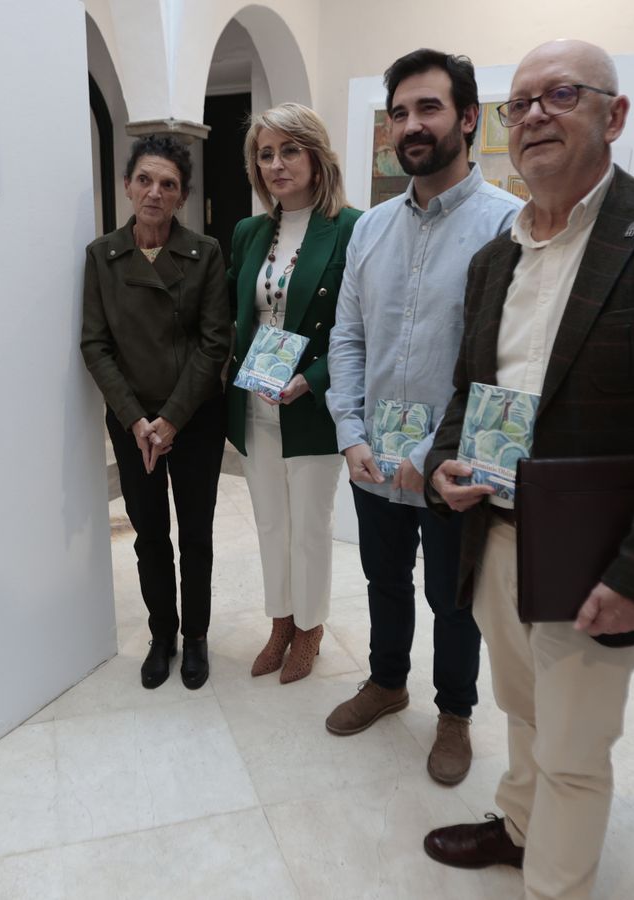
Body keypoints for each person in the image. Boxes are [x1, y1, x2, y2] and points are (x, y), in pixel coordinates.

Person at [420, 40, 634, 900]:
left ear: (615, 115)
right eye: (519, 104)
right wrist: (442, 461)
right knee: (522, 710)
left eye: (560, 95)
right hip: (496, 536)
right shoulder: (495, 259)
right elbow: (468, 389)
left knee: (574, 754)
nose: (534, 115)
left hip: (599, 558)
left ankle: (555, 885)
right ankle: (518, 827)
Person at [324, 49, 522, 786]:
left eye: (428, 108)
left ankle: (454, 713)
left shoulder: (509, 226)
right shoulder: (370, 229)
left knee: (453, 596)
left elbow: (507, 362)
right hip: (374, 455)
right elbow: (348, 337)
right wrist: (349, 433)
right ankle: (386, 682)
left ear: (468, 118)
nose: (411, 125)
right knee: (383, 579)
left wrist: (441, 455)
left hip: (452, 466)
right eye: (399, 112)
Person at [81, 135, 232, 691]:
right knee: (149, 534)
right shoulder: (102, 256)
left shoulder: (205, 252)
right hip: (132, 424)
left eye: (168, 184)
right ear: (127, 185)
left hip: (194, 419)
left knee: (195, 533)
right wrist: (136, 419)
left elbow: (215, 343)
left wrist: (171, 419)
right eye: (144, 180)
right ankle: (161, 634)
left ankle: (196, 635)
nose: (154, 192)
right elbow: (95, 344)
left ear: (182, 196)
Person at [225, 103, 361, 684]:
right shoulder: (249, 232)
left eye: (289, 150)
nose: (276, 164)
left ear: (316, 156)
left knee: (309, 525)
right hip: (255, 399)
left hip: (310, 404)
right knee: (270, 524)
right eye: (265, 154)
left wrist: (313, 378)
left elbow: (360, 327)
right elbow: (236, 314)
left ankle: (310, 626)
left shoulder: (351, 227)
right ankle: (280, 621)